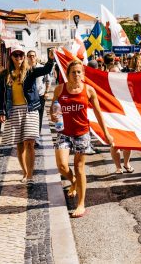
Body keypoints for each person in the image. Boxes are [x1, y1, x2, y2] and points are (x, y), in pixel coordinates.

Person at [51, 59, 114, 218]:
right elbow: (54, 109)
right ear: (68, 74)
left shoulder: (89, 90)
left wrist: (106, 133)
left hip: (82, 133)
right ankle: (73, 182)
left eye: (79, 72)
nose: (77, 74)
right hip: (64, 133)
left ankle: (81, 204)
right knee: (62, 166)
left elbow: (99, 113)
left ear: (83, 74)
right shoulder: (59, 89)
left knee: (79, 167)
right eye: (74, 72)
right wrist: (53, 115)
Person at [0, 46, 56, 183]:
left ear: (24, 57)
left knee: (30, 142)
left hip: (31, 109)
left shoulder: (30, 71)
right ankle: (24, 172)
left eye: (21, 55)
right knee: (20, 144)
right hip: (14, 110)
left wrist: (51, 59)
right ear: (11, 57)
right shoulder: (5, 74)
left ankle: (30, 174)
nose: (18, 58)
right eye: (15, 55)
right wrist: (0, 112)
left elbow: (46, 70)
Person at [104, 52, 134, 174]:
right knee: (115, 142)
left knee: (126, 140)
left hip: (123, 109)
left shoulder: (118, 72)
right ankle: (119, 166)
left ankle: (125, 164)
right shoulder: (107, 75)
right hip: (113, 111)